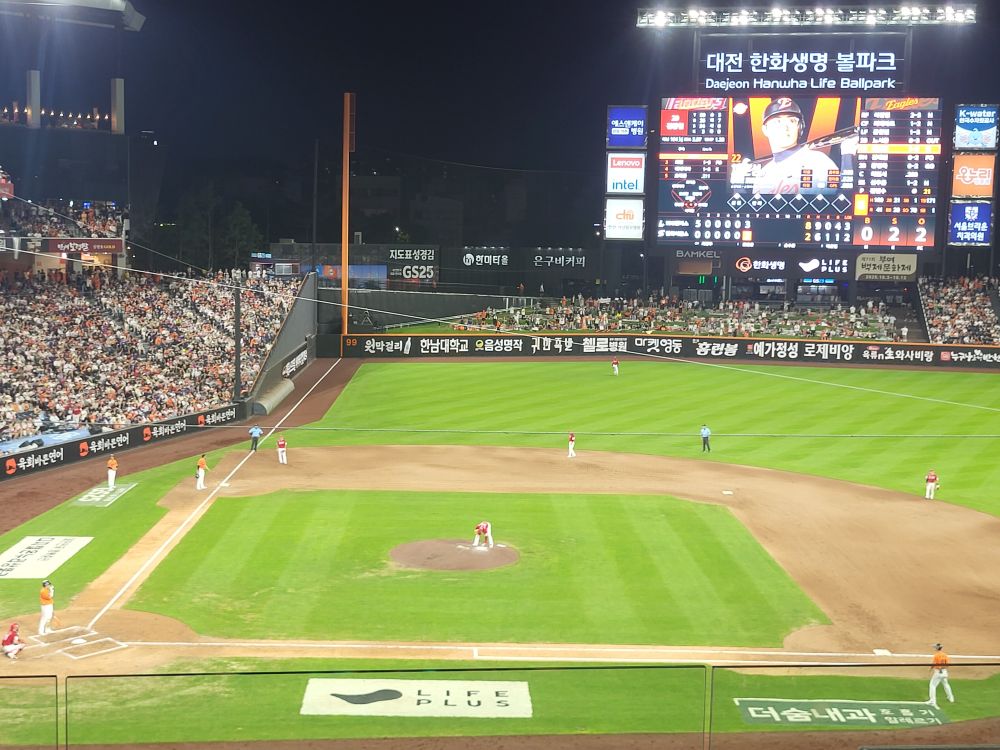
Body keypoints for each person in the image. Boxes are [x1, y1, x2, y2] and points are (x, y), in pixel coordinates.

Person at [741, 97, 856, 195]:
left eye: (791, 121)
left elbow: (840, 202)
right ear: (765, 129)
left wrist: (848, 157)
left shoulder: (818, 161)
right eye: (777, 122)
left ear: (799, 127)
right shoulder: (763, 174)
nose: (785, 127)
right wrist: (739, 183)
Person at [928, 642, 955, 708]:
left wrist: (930, 669)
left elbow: (934, 664)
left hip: (938, 672)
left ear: (937, 648)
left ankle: (932, 701)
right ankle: (951, 698)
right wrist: (943, 668)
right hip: (944, 672)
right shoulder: (945, 655)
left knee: (932, 685)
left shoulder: (936, 655)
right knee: (946, 684)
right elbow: (947, 664)